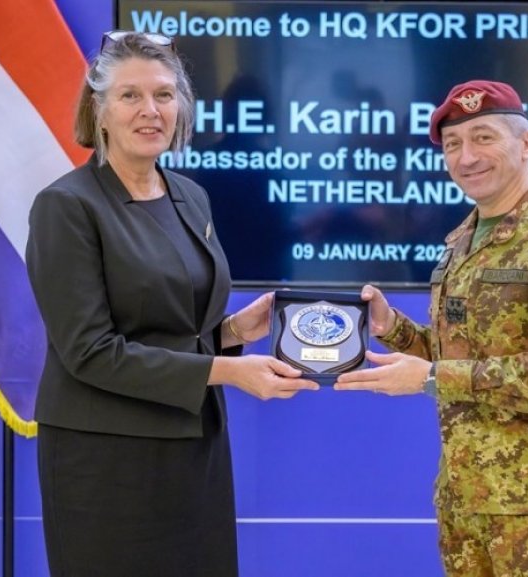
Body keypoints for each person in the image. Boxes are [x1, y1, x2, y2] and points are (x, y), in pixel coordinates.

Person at [25, 31, 318, 577]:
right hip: (106, 462)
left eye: (164, 94)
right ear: (99, 110)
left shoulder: (190, 195)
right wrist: (228, 370)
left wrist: (233, 331)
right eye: (130, 95)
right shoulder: (65, 206)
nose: (150, 110)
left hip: (194, 446)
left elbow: (169, 325)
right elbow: (90, 352)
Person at [336, 80, 528, 576]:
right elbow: (462, 353)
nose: (466, 157)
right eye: (453, 144)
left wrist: (431, 378)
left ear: (527, 143)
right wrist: (393, 328)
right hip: (467, 497)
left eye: (483, 137)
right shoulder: (464, 237)